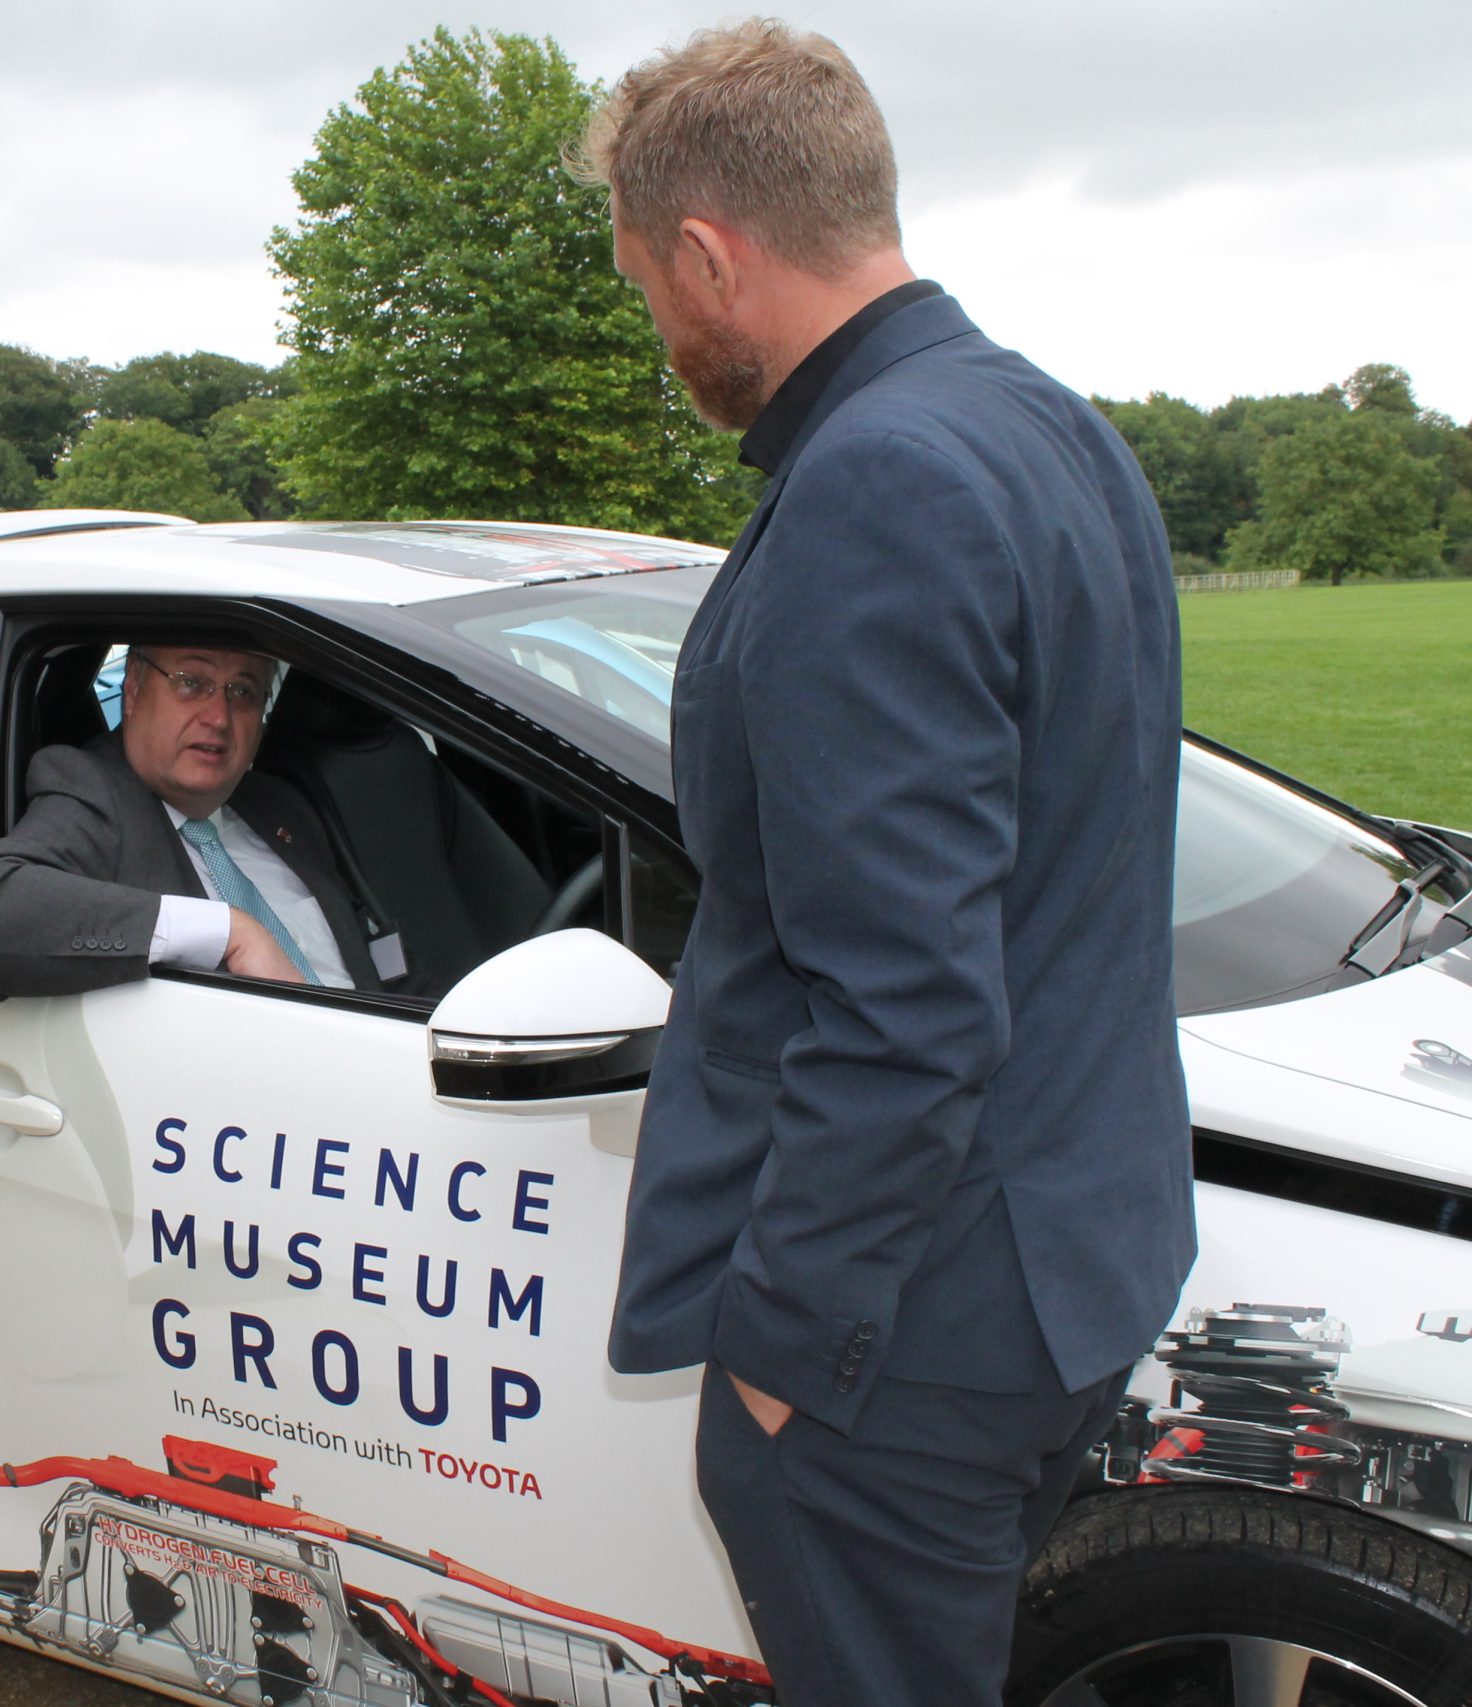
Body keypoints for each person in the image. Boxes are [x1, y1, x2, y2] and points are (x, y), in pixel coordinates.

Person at [572, 22, 1194, 1704]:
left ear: (711, 256)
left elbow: (908, 997)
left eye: (648, 289)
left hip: (909, 1339)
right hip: (1067, 1260)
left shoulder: (876, 482)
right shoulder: (1043, 421)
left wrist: (788, 1351)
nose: (662, 338)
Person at [0, 643, 379, 999]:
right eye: (191, 683)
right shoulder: (94, 794)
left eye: (243, 692)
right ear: (132, 688)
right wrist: (229, 931)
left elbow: (380, 960)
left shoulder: (282, 804)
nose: (219, 716)